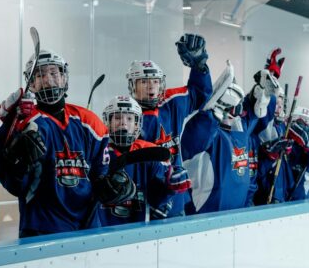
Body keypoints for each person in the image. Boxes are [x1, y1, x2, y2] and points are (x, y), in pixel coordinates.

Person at [0, 49, 136, 237]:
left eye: (53, 73)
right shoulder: (25, 123)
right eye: (40, 75)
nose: (47, 79)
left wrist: (118, 186)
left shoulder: (90, 123)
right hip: (42, 228)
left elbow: (101, 176)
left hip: (88, 227)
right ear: (31, 83)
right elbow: (14, 185)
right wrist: (16, 161)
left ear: (64, 77)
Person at [126, 34, 213, 216]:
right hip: (143, 202)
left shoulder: (172, 102)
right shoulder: (125, 116)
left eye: (155, 82)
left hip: (177, 197)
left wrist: (200, 66)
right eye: (144, 82)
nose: (151, 87)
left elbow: (200, 94)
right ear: (132, 85)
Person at [182, 65, 277, 214]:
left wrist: (262, 94)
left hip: (239, 214)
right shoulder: (208, 134)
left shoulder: (241, 128)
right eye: (227, 105)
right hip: (206, 218)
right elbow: (193, 139)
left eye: (234, 106)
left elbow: (256, 112)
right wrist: (212, 113)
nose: (233, 110)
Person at [98, 95, 182, 225]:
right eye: (118, 117)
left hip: (139, 232)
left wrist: (170, 187)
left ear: (137, 124)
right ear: (108, 122)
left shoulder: (149, 152)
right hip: (101, 231)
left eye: (130, 118)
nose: (123, 122)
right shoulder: (98, 151)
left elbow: (157, 199)